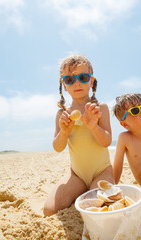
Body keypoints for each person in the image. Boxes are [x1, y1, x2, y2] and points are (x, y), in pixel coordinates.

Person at [43, 55, 114, 216]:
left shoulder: (100, 108)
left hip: (102, 171)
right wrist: (65, 131)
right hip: (77, 175)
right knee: (49, 210)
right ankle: (82, 190)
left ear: (91, 81)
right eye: (69, 79)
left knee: (96, 209)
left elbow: (106, 142)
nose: (76, 83)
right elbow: (58, 147)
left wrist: (93, 126)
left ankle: (95, 190)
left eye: (82, 77)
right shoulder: (63, 114)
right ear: (64, 85)